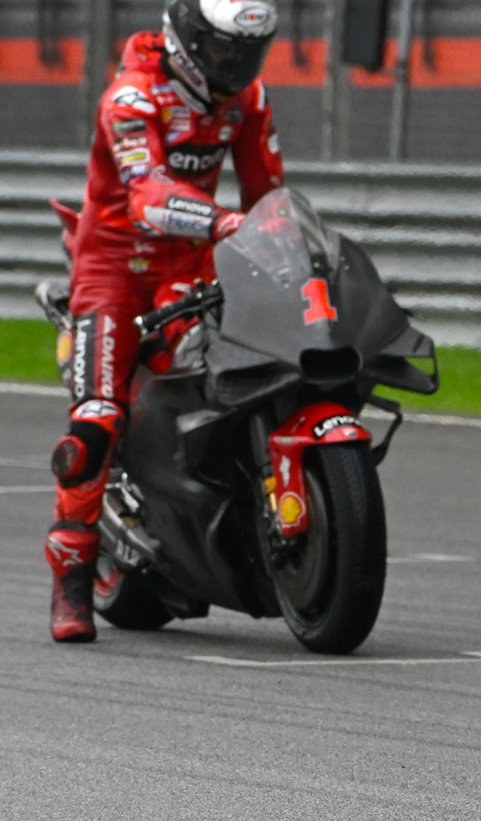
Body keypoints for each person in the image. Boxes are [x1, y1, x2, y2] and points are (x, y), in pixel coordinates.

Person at [45, 0, 284, 642]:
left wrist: (284, 244)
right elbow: (147, 195)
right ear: (185, 36)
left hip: (193, 264)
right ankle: (70, 582)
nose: (234, 64)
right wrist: (228, 223)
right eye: (222, 48)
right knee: (95, 419)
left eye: (246, 51)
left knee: (247, 368)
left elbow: (267, 196)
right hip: (114, 270)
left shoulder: (246, 99)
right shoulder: (131, 97)